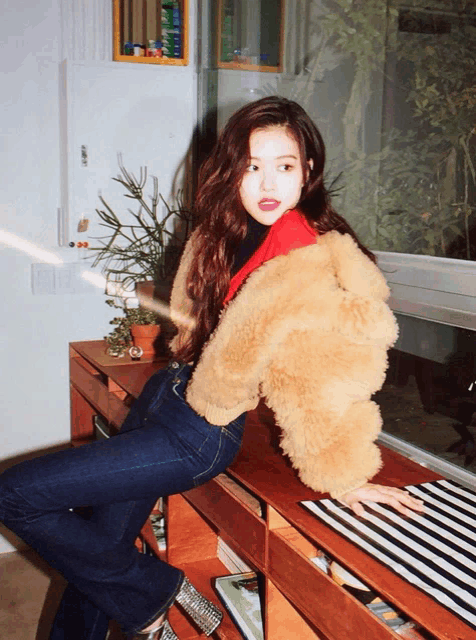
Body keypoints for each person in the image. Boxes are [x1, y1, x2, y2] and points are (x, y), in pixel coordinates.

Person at [0, 96, 424, 640]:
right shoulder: (224, 231)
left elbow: (314, 378)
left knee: (15, 494)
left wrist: (341, 475)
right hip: (165, 396)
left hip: (199, 434)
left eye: (285, 166)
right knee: (97, 555)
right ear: (232, 171)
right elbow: (193, 325)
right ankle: (138, 591)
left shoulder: (306, 262)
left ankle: (151, 588)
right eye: (252, 166)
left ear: (308, 171)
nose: (267, 182)